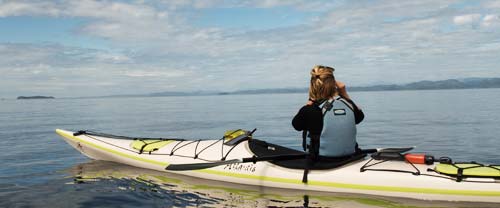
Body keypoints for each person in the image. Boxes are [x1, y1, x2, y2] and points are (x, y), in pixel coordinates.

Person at [292, 65, 364, 158]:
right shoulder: (348, 105)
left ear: (313, 85)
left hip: (323, 161)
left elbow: (296, 125)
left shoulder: (309, 110)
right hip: (350, 157)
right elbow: (359, 118)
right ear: (334, 84)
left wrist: (305, 107)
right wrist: (344, 93)